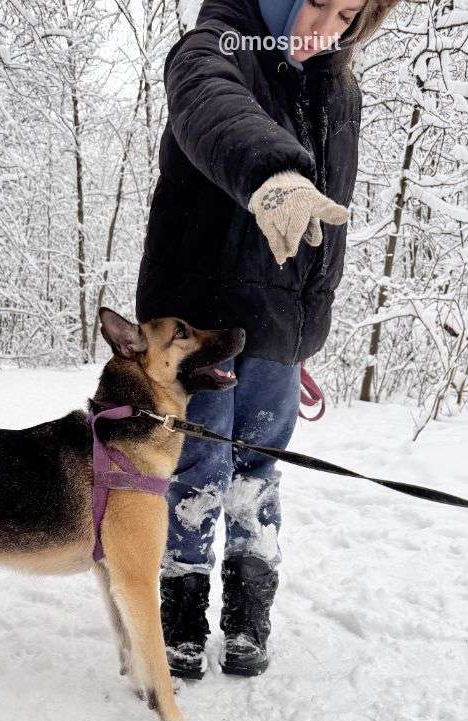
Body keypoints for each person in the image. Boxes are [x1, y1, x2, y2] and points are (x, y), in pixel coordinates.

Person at [135, 0, 400, 679]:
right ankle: (180, 622)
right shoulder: (219, 40)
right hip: (196, 322)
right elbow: (209, 97)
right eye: (318, 4)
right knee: (194, 470)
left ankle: (249, 619)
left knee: (256, 472)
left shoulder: (338, 83)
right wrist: (272, 172)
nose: (328, 28)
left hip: (280, 321)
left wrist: (309, 320)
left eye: (348, 14)